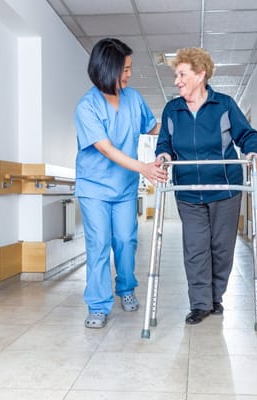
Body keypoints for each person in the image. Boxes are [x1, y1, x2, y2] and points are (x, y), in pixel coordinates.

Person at [155, 47, 257, 325]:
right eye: (176, 75)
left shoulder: (224, 105)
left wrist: (253, 152)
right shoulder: (172, 109)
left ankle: (216, 296)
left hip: (225, 188)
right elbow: (165, 143)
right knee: (195, 247)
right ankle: (201, 303)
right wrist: (164, 156)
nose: (177, 81)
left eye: (182, 74)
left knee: (221, 247)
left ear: (200, 74)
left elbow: (246, 134)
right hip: (188, 191)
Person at [74, 38, 167, 329]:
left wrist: (183, 122)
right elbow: (105, 148)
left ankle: (126, 288)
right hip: (94, 188)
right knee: (99, 242)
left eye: (129, 68)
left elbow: (153, 127)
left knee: (126, 240)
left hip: (125, 187)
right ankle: (98, 304)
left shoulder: (134, 99)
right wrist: (144, 167)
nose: (128, 74)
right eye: (124, 69)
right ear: (107, 69)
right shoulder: (86, 107)